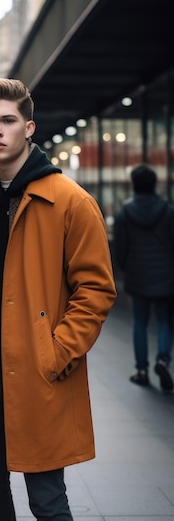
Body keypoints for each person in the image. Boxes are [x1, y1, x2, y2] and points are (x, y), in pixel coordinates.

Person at [0, 78, 117, 521]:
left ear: (29, 128)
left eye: (7, 120)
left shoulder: (69, 201)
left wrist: (58, 351)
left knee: (47, 499)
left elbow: (96, 289)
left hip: (39, 373)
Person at [113, 164, 174, 391]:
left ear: (134, 185)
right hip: (167, 275)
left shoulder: (124, 213)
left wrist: (126, 268)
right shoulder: (168, 211)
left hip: (138, 274)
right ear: (154, 184)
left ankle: (140, 369)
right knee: (165, 321)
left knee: (139, 322)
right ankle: (163, 360)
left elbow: (120, 249)